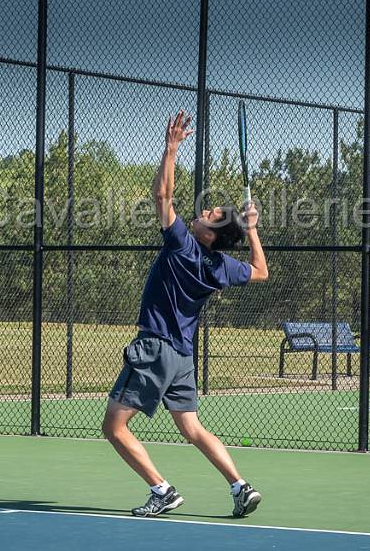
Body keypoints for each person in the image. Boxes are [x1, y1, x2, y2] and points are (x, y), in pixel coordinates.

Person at [101, 109, 270, 519]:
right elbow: (262, 271)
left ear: (209, 233)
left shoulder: (182, 245)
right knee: (192, 428)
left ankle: (161, 490)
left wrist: (171, 148)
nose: (201, 212)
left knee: (114, 427)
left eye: (209, 215)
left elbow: (162, 197)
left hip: (156, 348)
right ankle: (240, 486)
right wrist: (250, 229)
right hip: (181, 357)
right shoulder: (220, 267)